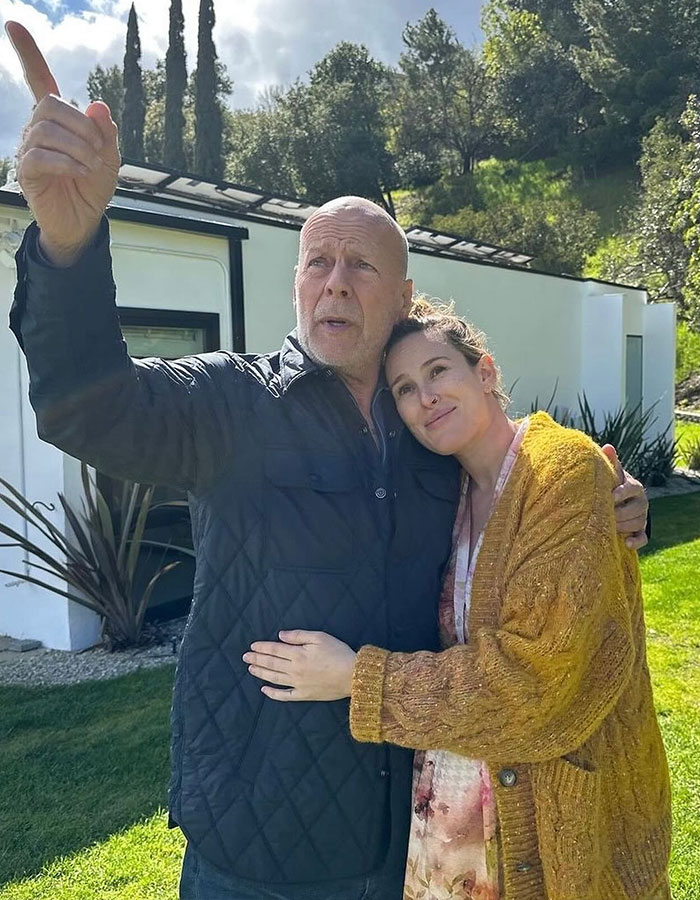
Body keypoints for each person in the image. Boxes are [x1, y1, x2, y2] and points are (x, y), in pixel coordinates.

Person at [5, 20, 651, 900]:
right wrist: (69, 250)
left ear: (404, 297)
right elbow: (92, 405)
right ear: (297, 283)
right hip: (255, 845)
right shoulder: (233, 400)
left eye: (360, 265)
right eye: (317, 263)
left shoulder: (431, 427)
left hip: (406, 832)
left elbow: (521, 490)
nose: (335, 281)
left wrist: (603, 497)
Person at [244, 300, 672, 900]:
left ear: (487, 372)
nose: (426, 396)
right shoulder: (447, 489)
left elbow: (534, 679)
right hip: (455, 811)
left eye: (439, 370)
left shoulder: (562, 472)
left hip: (554, 812)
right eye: (405, 388)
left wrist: (358, 679)